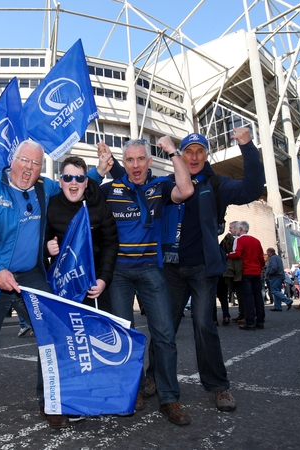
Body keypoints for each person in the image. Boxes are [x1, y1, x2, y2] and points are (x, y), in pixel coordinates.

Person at [0, 139, 109, 438]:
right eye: (25, 160)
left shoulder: (44, 188)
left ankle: (51, 403)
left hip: (31, 278)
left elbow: (71, 184)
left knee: (50, 337)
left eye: (36, 163)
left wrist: (98, 172)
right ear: (13, 160)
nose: (29, 168)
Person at [160, 128, 264, 414]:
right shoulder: (168, 183)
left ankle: (218, 386)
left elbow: (253, 188)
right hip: (171, 268)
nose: (193, 157)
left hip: (204, 268)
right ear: (180, 154)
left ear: (206, 155)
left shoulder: (217, 183)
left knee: (204, 326)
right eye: (188, 151)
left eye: (199, 151)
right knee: (164, 328)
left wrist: (247, 146)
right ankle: (153, 380)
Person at [99, 135, 194, 426]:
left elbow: (186, 189)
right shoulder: (108, 190)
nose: (136, 165)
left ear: (150, 161)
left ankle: (169, 397)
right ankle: (133, 390)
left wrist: (173, 151)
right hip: (119, 274)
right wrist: (99, 170)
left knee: (164, 335)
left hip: (153, 270)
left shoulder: (160, 186)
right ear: (123, 163)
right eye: (130, 160)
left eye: (141, 159)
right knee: (123, 337)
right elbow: (79, 199)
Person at [45, 155, 119, 313]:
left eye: (79, 178)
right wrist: (47, 248)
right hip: (64, 283)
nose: (73, 182)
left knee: (98, 332)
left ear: (85, 182)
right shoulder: (51, 207)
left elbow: (110, 244)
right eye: (67, 177)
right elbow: (40, 242)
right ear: (60, 182)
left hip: (94, 282)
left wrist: (104, 279)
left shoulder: (100, 206)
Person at [227, 221, 265, 329]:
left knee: (247, 297)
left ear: (240, 229)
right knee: (258, 296)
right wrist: (260, 267)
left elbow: (237, 253)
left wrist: (227, 255)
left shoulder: (239, 240)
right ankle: (260, 320)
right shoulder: (256, 241)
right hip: (256, 271)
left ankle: (250, 321)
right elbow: (261, 257)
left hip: (245, 271)